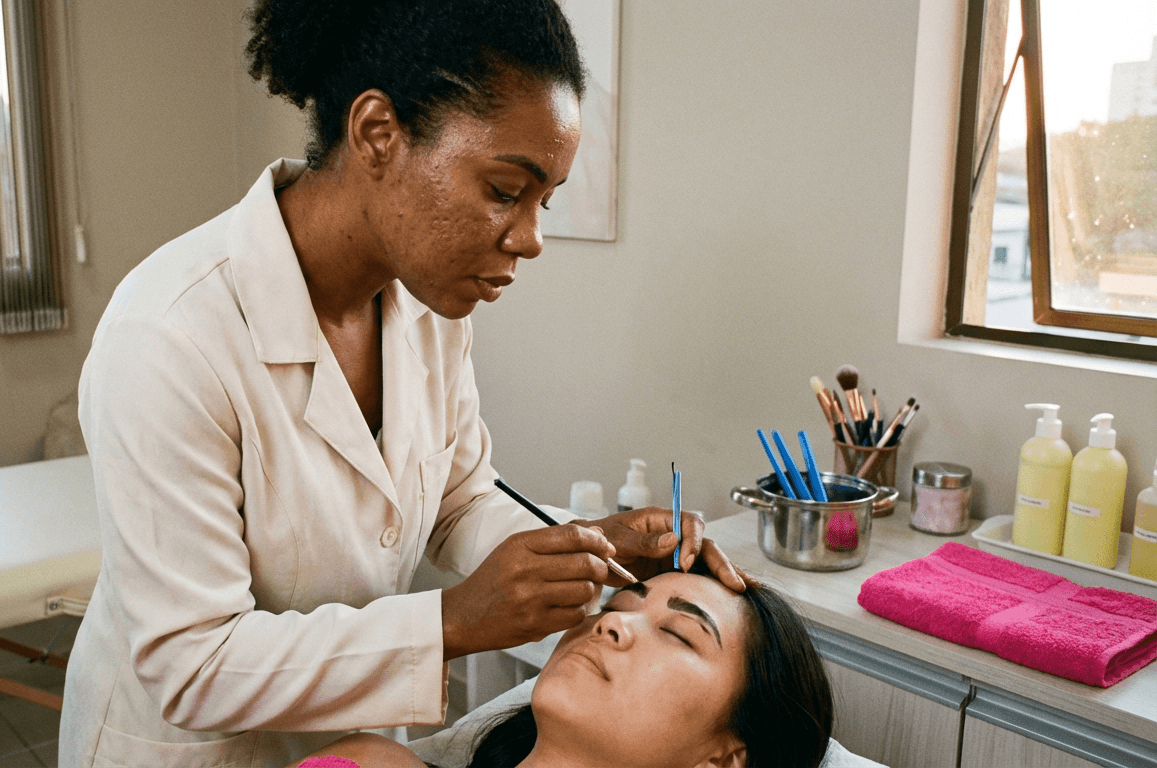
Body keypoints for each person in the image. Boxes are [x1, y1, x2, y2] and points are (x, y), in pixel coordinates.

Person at [60, 1, 745, 765]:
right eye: (502, 189)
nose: (530, 239)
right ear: (378, 133)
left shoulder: (428, 310)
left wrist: (589, 552)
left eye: (542, 202)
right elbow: (192, 667)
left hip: (349, 745)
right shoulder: (170, 336)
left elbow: (460, 503)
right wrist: (452, 622)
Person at [290, 567, 834, 768]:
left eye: (676, 633)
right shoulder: (368, 761)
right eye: (615, 606)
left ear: (723, 759)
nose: (611, 624)